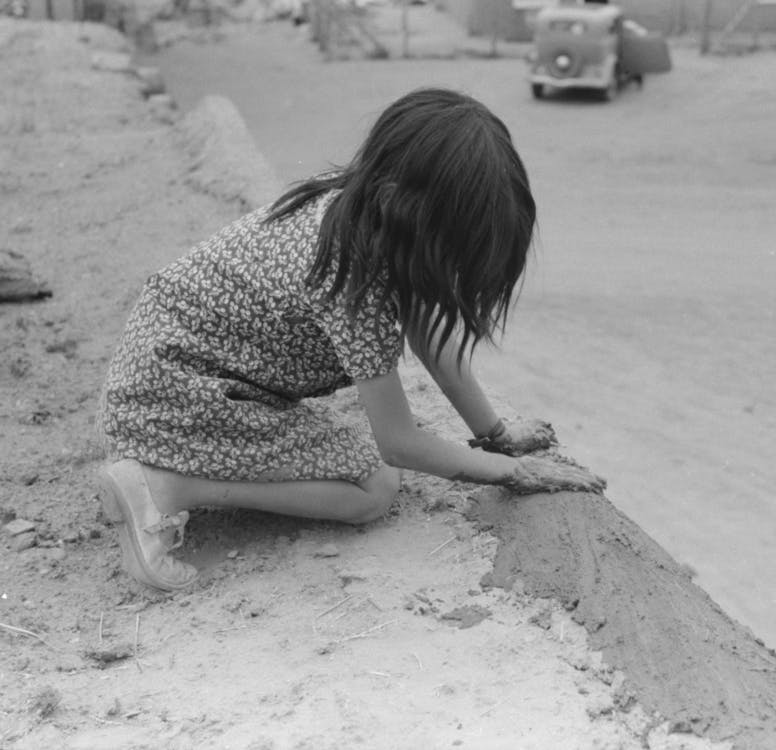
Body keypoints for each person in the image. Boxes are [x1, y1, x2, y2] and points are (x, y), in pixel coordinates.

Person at [96, 88, 605, 592]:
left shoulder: (359, 209)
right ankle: (162, 488)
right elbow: (400, 445)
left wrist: (495, 433)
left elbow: (425, 328)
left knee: (366, 467)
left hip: (167, 365)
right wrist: (510, 474)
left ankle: (169, 473)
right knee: (373, 488)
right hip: (178, 397)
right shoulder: (353, 281)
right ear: (396, 203)